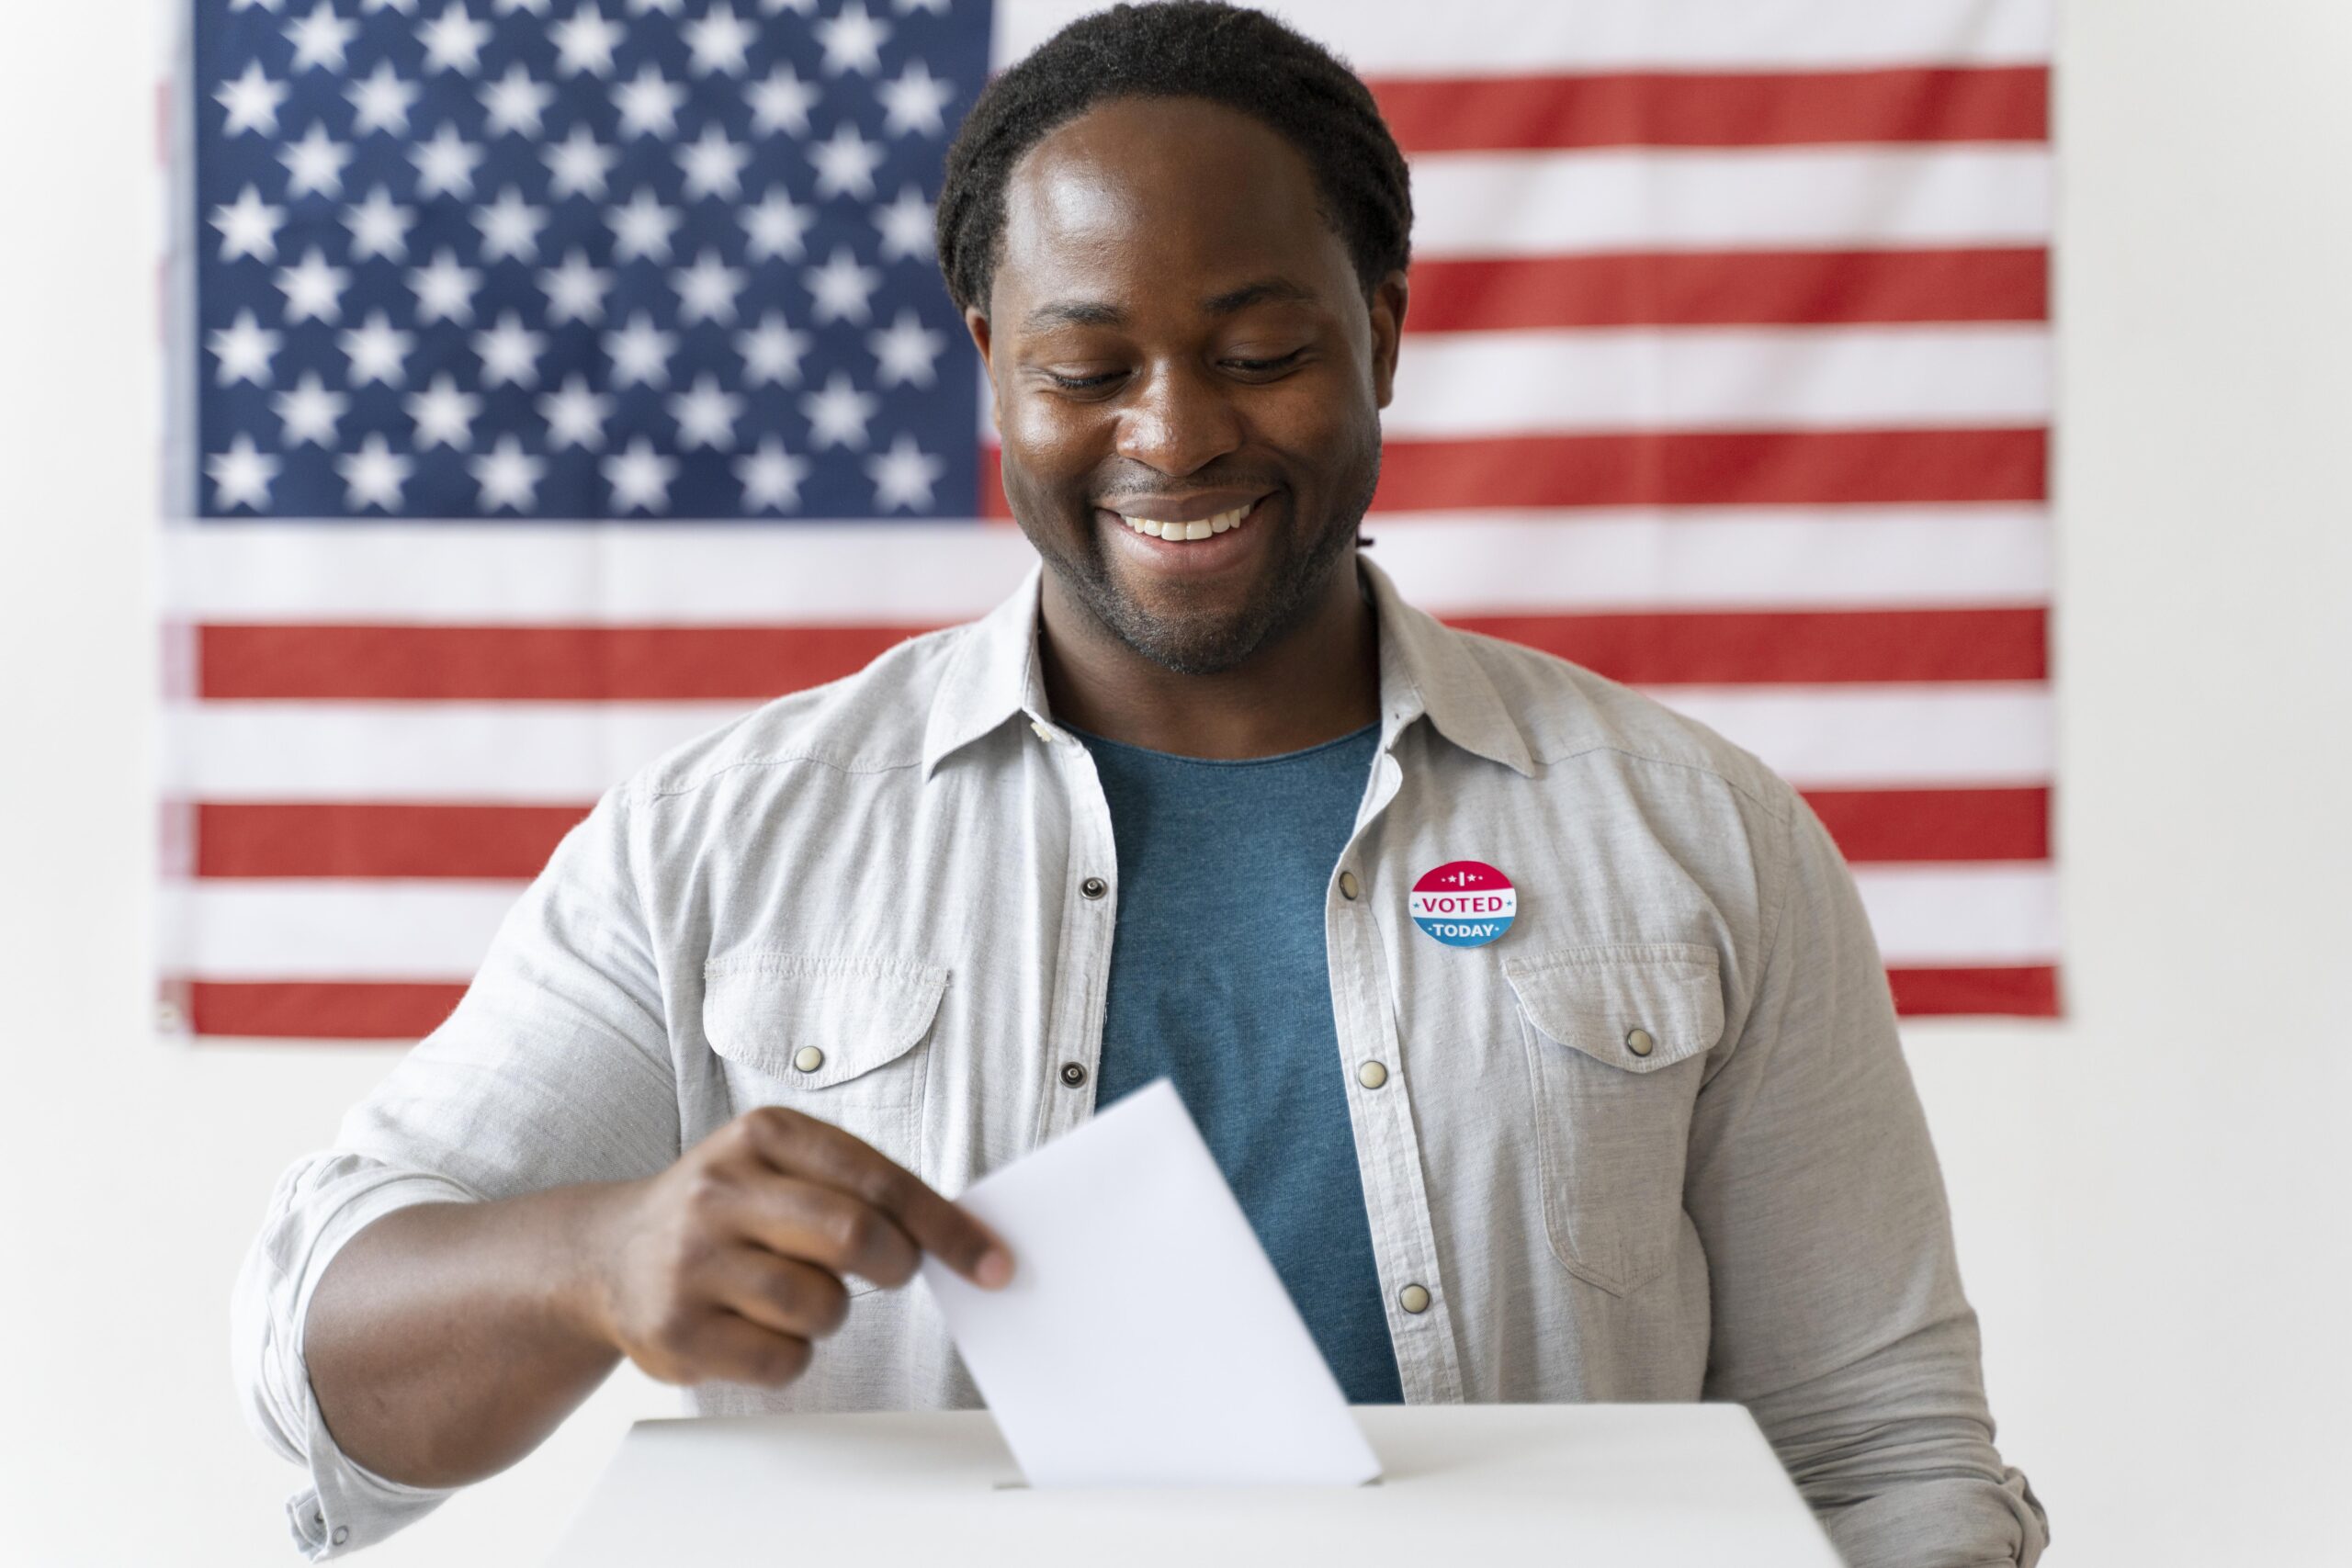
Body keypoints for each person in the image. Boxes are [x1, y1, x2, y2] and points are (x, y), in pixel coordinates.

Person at [234, 5, 2048, 1562]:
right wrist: (592, 1253)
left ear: (1384, 334)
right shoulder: (725, 840)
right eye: (1086, 368)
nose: (1172, 434)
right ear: (988, 368)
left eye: (1258, 353)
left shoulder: (1693, 835)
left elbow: (1881, 1460)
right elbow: (323, 1375)